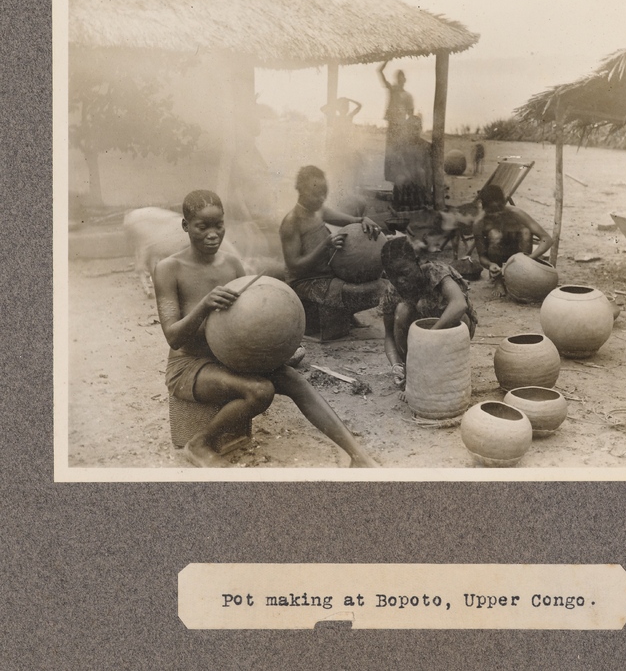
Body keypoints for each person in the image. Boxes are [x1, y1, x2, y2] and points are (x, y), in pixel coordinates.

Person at [154, 189, 378, 468]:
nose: (213, 234)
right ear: (186, 226)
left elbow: (244, 320)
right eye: (202, 227)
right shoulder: (169, 269)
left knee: (294, 379)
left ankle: (358, 455)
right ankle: (200, 443)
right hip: (190, 366)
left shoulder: (231, 264)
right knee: (261, 391)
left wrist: (273, 343)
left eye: (219, 225)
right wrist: (204, 305)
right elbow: (173, 337)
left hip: (229, 356)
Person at [279, 166, 386, 328]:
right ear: (299, 189)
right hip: (304, 282)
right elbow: (294, 267)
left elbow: (350, 220)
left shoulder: (318, 211)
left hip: (327, 274)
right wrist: (325, 246)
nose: (321, 198)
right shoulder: (292, 222)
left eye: (324, 192)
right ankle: (336, 315)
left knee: (380, 283)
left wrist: (363, 220)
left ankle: (345, 314)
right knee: (367, 292)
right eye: (315, 193)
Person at [379, 237, 478, 387]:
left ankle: (450, 368)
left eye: (404, 273)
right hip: (419, 344)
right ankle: (411, 368)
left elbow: (459, 304)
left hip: (446, 333)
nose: (400, 280)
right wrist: (396, 365)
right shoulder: (392, 291)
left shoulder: (436, 271)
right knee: (402, 311)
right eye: (392, 276)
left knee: (456, 316)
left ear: (417, 262)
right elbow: (389, 336)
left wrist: (429, 336)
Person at [473, 184, 554, 281]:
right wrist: (490, 264)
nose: (497, 214)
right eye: (492, 212)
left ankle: (520, 275)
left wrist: (529, 259)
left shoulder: (516, 213)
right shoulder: (479, 223)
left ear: (504, 203)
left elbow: (547, 239)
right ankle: (499, 280)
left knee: (525, 232)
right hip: (498, 260)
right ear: (483, 207)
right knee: (495, 235)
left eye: (499, 210)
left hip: (520, 260)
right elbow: (482, 257)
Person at [377, 62, 414, 198]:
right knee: (391, 157)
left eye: (402, 77)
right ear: (396, 80)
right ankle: (395, 188)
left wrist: (410, 130)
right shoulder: (392, 90)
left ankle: (401, 189)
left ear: (404, 80)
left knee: (402, 156)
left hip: (402, 129)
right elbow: (379, 72)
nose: (400, 80)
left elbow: (411, 115)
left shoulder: (408, 96)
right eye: (398, 77)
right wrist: (386, 61)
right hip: (392, 127)